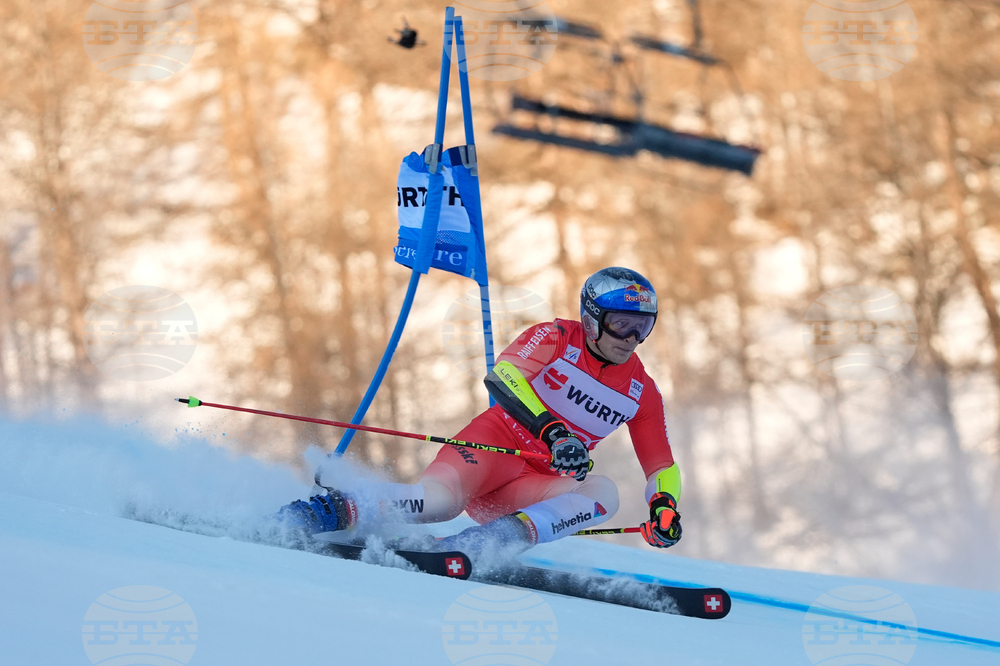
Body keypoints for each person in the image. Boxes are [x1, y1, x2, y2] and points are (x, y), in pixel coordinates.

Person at [280, 267, 682, 557]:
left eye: (642, 327)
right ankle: (323, 511)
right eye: (621, 324)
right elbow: (504, 376)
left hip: (527, 489)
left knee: (604, 492)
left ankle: (492, 541)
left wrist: (664, 506)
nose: (631, 339)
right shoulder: (555, 336)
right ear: (593, 319)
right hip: (491, 448)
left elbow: (661, 465)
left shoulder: (640, 391)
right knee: (438, 504)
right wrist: (556, 434)